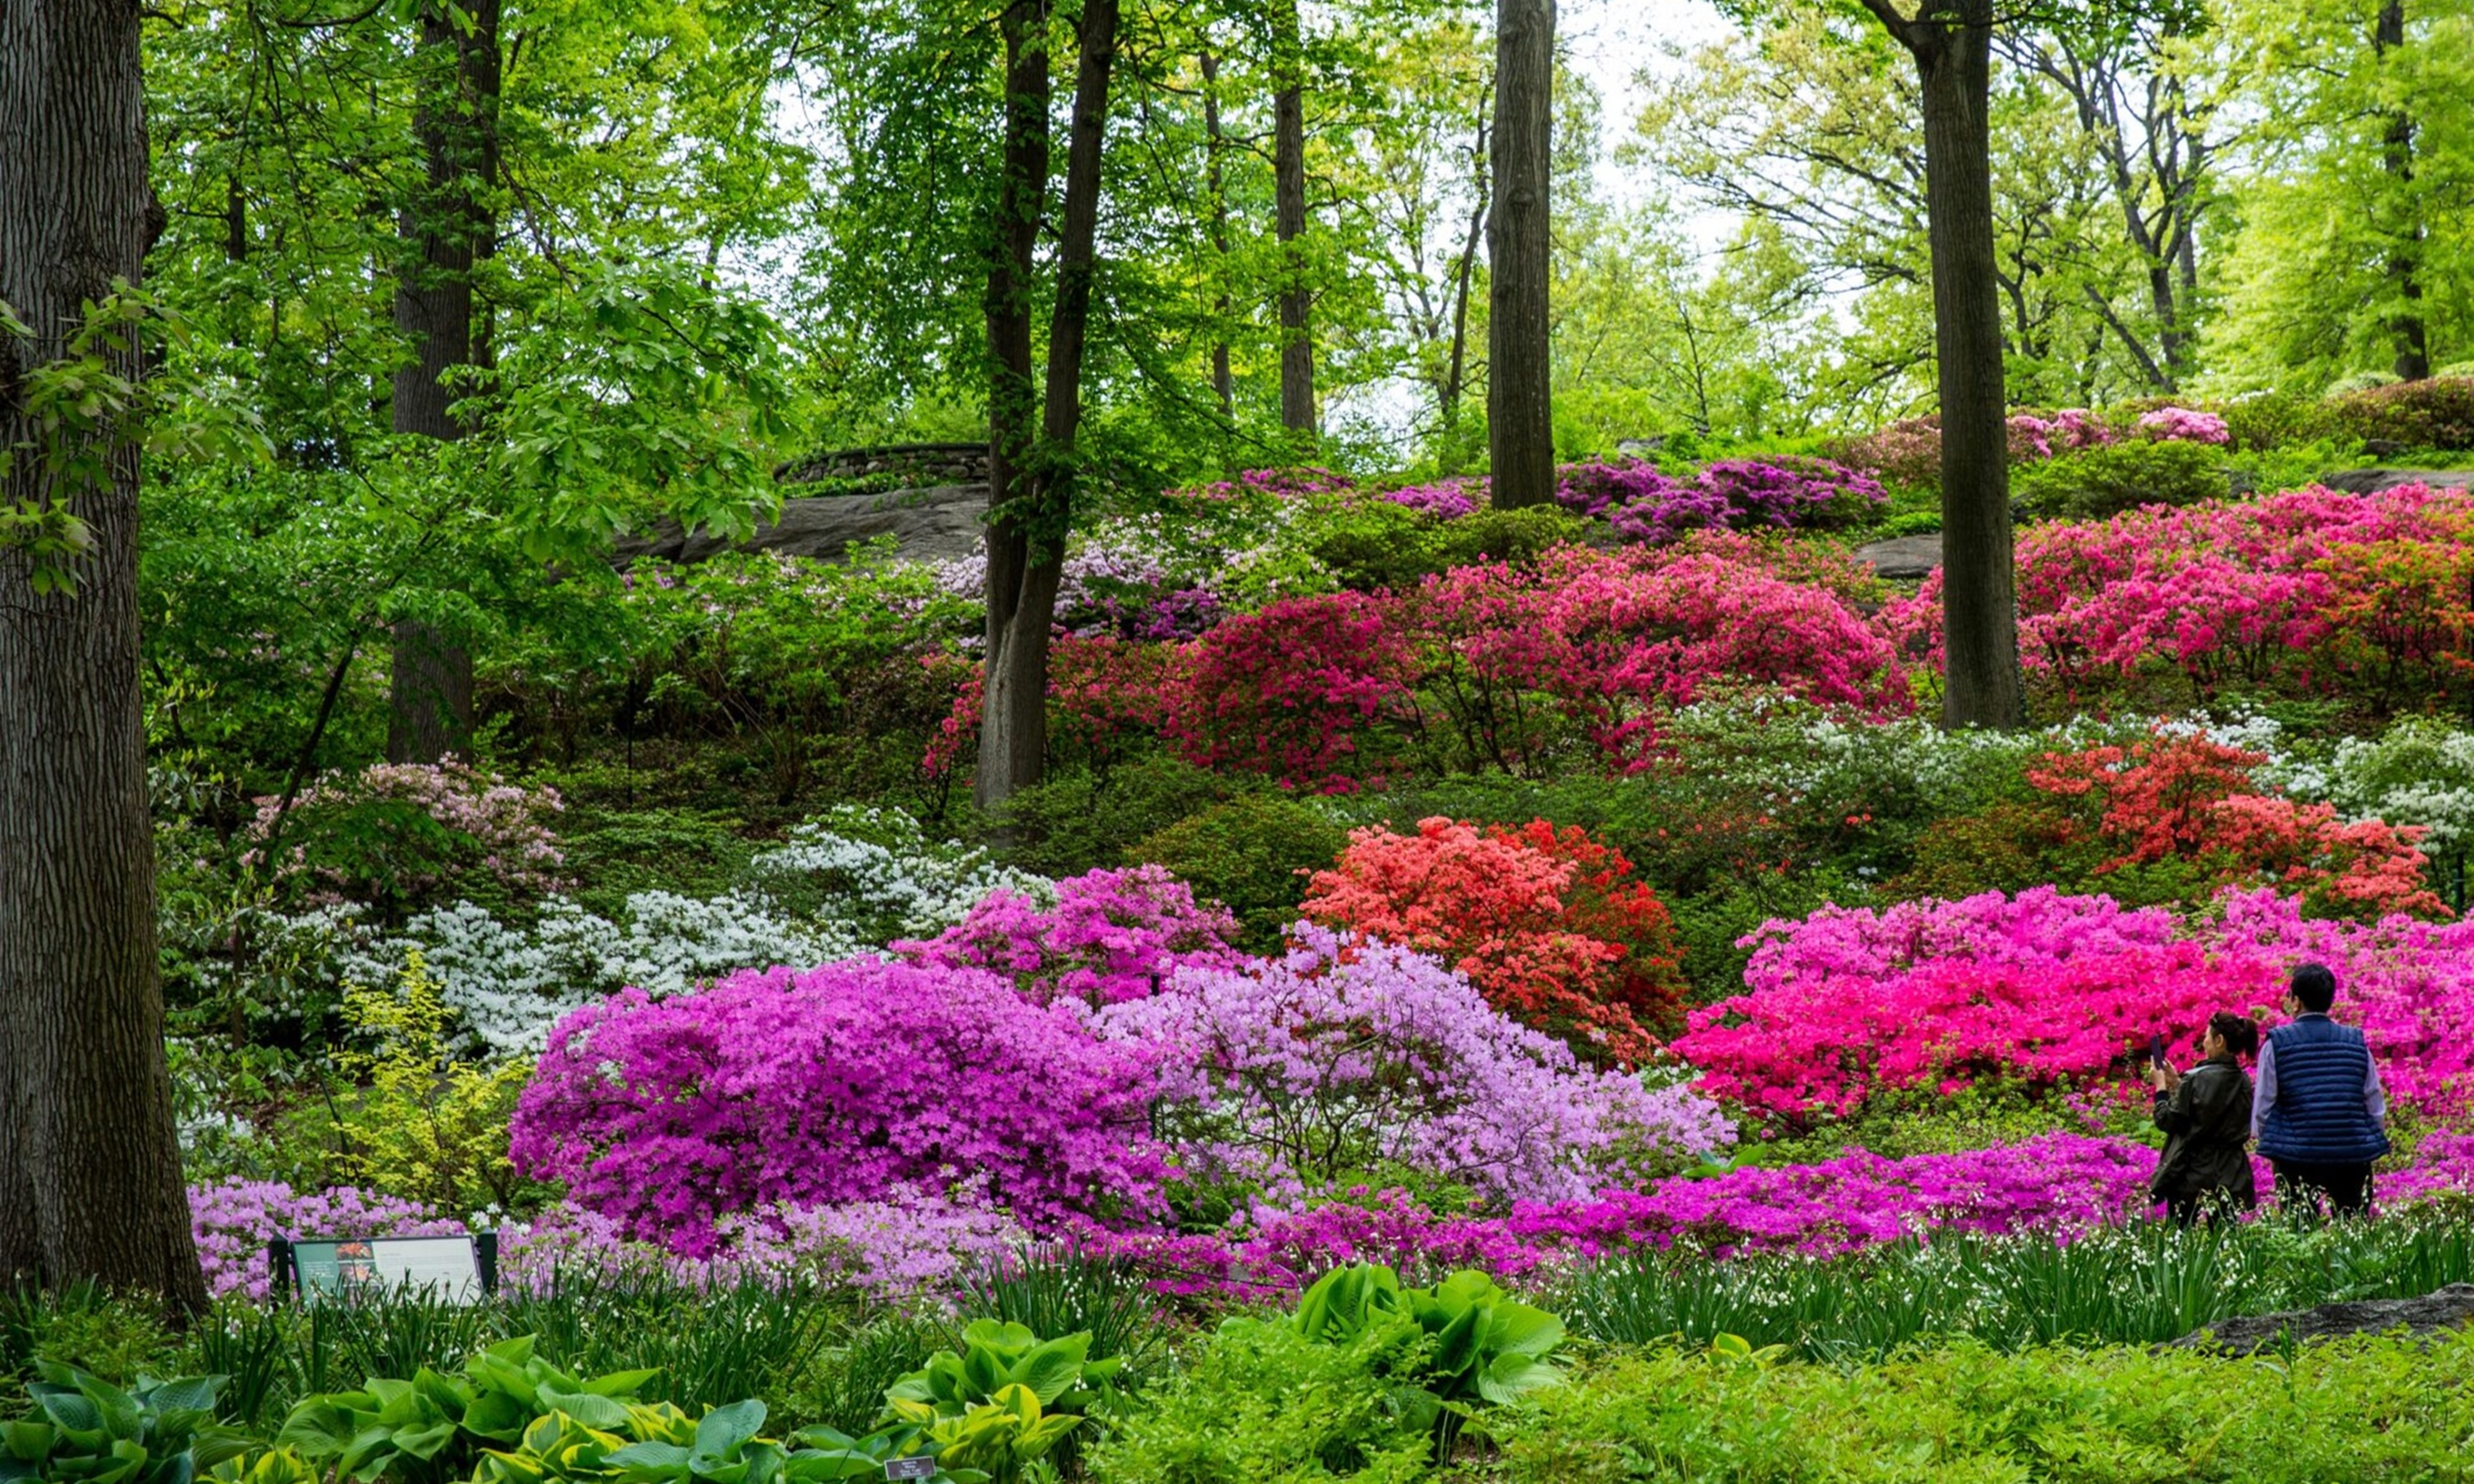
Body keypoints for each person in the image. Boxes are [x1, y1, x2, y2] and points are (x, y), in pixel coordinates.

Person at [2252, 962, 2390, 1217]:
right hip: (2351, 1153)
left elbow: (2264, 1104)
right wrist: (2368, 1138)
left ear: (2296, 1001)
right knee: (2353, 1230)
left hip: (2296, 1156)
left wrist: (2273, 1144)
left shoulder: (2277, 1043)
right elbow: (2374, 1102)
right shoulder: (2356, 1041)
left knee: (2299, 1232)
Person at [2146, 1011, 2259, 1224]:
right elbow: (2211, 1112)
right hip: (2232, 1172)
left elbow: (2167, 1120)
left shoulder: (2195, 1079)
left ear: (2219, 1041)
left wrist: (2161, 1086)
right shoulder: (2243, 1081)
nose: (2204, 1042)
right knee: (2225, 1241)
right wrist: (2178, 1085)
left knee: (2180, 1239)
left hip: (2192, 1173)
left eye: (2207, 1036)